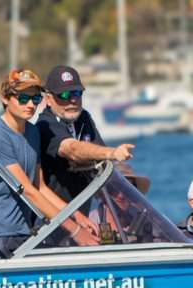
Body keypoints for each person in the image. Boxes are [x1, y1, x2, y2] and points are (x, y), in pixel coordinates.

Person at [0, 68, 99, 260]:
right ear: (5, 99)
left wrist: (77, 216)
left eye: (35, 99)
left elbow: (41, 187)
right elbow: (28, 191)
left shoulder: (32, 133)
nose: (30, 104)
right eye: (23, 98)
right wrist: (74, 231)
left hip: (23, 233)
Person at [37, 65, 135, 202]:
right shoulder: (46, 125)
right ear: (48, 99)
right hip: (57, 216)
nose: (72, 100)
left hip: (87, 210)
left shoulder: (84, 118)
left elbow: (99, 155)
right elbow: (72, 150)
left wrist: (127, 179)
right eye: (64, 95)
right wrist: (112, 153)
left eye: (76, 93)